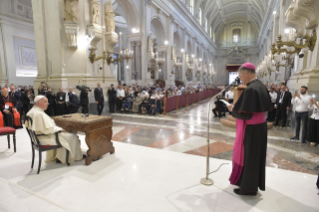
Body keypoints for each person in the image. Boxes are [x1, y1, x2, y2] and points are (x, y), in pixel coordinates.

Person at [227, 63, 272, 196]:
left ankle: (248, 188)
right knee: (254, 158)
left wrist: (233, 110)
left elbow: (246, 113)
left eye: (241, 76)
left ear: (246, 73)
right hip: (260, 128)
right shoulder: (260, 85)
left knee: (250, 158)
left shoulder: (251, 89)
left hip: (252, 129)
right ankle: (249, 185)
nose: (241, 79)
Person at [26, 95, 85, 164]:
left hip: (38, 137)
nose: (48, 103)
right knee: (73, 136)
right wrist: (60, 129)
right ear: (38, 103)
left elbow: (45, 128)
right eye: (45, 102)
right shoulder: (39, 114)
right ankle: (74, 157)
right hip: (45, 138)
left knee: (68, 134)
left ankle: (60, 156)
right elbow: (48, 130)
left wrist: (59, 129)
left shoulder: (32, 111)